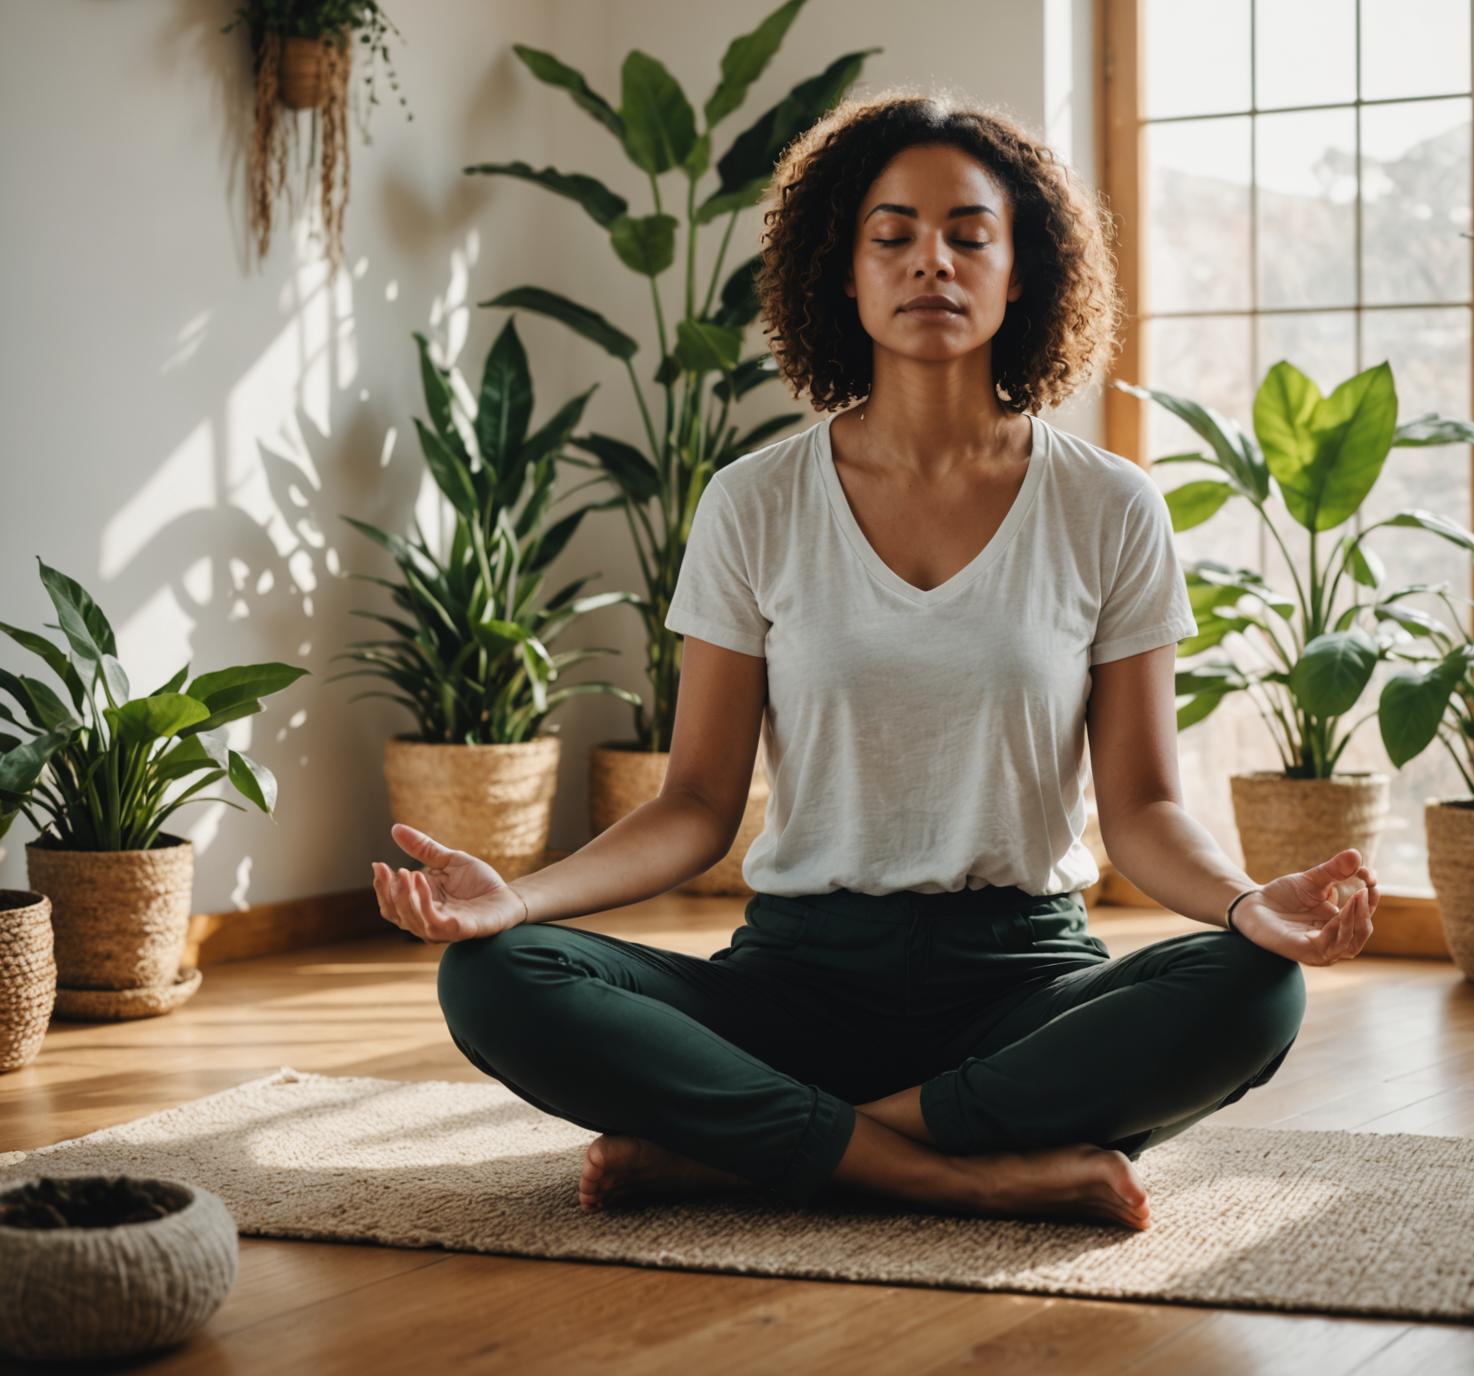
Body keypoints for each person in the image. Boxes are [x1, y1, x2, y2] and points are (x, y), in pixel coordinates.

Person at [371, 91, 1380, 1232]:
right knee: (496, 978)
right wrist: (519, 898)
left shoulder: (1109, 506)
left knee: (1254, 990)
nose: (930, 263)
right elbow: (697, 804)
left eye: (968, 235)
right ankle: (959, 1169)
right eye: (891, 235)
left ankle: (763, 1144)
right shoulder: (754, 501)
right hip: (798, 976)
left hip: (1024, 980)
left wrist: (1249, 906)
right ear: (841, 273)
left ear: (1022, 269)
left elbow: (1143, 808)